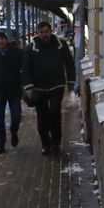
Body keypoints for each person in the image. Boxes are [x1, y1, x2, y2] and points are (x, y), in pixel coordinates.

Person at [23, 21, 75, 155]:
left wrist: (71, 81)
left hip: (57, 85)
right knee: (42, 117)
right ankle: (45, 144)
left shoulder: (60, 45)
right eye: (41, 32)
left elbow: (69, 63)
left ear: (50, 31)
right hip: (38, 88)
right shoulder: (31, 48)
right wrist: (29, 87)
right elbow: (26, 68)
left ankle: (56, 142)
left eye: (46, 31)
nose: (44, 34)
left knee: (54, 113)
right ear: (37, 33)